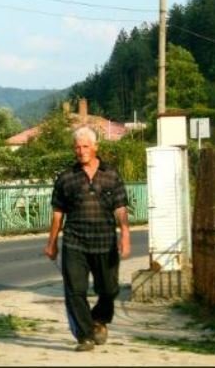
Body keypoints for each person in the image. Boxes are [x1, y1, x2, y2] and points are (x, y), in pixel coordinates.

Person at [44, 125, 131, 352]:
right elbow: (57, 214)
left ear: (95, 147)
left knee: (109, 289)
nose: (81, 150)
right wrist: (52, 243)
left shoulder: (111, 175)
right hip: (75, 242)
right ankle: (85, 337)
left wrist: (126, 236)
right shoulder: (66, 178)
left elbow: (121, 207)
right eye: (77, 147)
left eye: (85, 146)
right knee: (75, 290)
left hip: (105, 242)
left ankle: (98, 319)